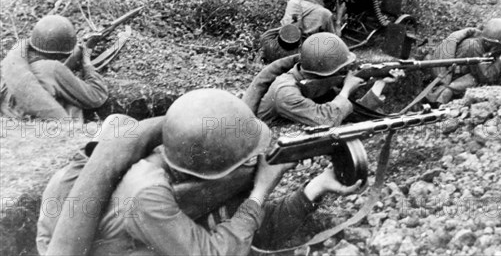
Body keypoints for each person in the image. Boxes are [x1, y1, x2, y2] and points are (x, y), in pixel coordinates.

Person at [36, 89, 361, 256]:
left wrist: (316, 188)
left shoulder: (189, 157)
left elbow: (253, 230)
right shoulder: (146, 192)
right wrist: (259, 191)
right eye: (250, 161)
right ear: (215, 172)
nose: (256, 163)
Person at [256, 33, 401, 127]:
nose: (346, 72)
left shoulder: (313, 84)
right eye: (342, 70)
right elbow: (327, 120)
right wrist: (346, 89)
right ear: (324, 73)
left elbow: (346, 115)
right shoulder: (286, 92)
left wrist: (380, 84)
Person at [0, 15, 108, 120]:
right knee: (73, 103)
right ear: (61, 55)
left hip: (13, 121)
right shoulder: (53, 68)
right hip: (44, 126)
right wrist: (86, 62)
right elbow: (97, 96)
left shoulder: (15, 63)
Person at [260, 0, 344, 63]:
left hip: (274, 48)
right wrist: (338, 19)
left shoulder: (293, 3)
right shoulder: (324, 14)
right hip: (298, 57)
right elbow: (335, 43)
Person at [426, 18, 501, 104]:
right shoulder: (474, 47)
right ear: (490, 43)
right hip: (449, 76)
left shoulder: (479, 41)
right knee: (474, 80)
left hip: (453, 72)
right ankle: (441, 100)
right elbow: (487, 77)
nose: (500, 48)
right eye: (499, 45)